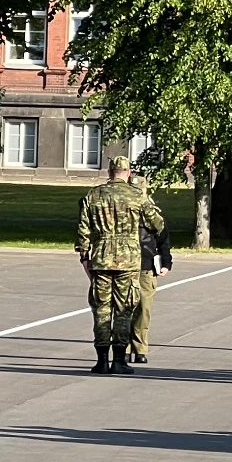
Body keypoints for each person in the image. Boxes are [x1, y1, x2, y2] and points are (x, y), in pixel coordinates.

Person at [76, 155, 149, 375]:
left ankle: (101, 360)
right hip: (128, 260)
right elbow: (156, 223)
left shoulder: (94, 195)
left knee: (102, 310)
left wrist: (84, 256)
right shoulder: (137, 195)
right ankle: (119, 359)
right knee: (124, 309)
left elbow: (83, 230)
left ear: (110, 172)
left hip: (101, 258)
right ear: (128, 173)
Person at [127, 174, 173, 363]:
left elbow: (163, 238)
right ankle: (123, 348)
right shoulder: (122, 210)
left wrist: (166, 262)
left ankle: (140, 348)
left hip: (147, 266)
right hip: (125, 265)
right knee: (124, 308)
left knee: (143, 310)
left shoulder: (153, 212)